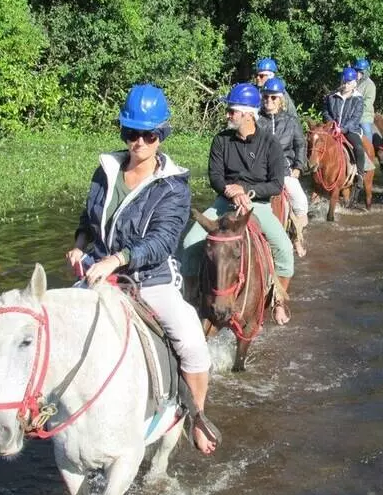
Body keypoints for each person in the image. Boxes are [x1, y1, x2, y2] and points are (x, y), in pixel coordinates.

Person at [65, 84, 219, 455]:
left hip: (149, 278)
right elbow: (88, 218)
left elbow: (163, 241)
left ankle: (196, 417)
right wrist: (79, 245)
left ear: (160, 136)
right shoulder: (106, 170)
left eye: (149, 135)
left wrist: (117, 259)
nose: (139, 142)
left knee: (192, 343)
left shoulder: (173, 187)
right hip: (97, 273)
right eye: (132, 133)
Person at [181, 83, 294, 325]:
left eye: (232, 111)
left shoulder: (270, 143)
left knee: (284, 249)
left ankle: (279, 301)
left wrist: (248, 192)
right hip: (224, 203)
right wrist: (231, 192)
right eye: (229, 111)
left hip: (258, 205)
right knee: (190, 241)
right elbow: (215, 176)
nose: (228, 115)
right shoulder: (221, 140)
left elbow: (276, 184)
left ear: (248, 114)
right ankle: (190, 298)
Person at [257, 77, 309, 257]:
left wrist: (298, 167)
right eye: (265, 97)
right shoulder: (256, 120)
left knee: (300, 202)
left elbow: (300, 144)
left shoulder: (291, 121)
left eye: (273, 97)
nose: (268, 100)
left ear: (281, 99)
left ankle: (297, 236)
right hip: (260, 170)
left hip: (284, 170)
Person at [323, 67, 365, 176]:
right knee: (316, 142)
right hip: (332, 128)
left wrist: (342, 129)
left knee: (359, 148)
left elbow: (355, 118)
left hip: (350, 130)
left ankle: (360, 175)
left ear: (354, 83)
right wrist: (332, 124)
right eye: (344, 82)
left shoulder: (358, 99)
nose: (346, 85)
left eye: (349, 83)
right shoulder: (331, 96)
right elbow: (326, 112)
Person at [352, 58, 376, 144]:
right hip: (351, 114)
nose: (357, 73)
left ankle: (368, 149)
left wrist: (356, 109)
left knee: (366, 131)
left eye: (360, 72)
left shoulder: (370, 85)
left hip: (364, 115)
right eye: (356, 71)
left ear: (365, 72)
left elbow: (368, 102)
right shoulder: (353, 82)